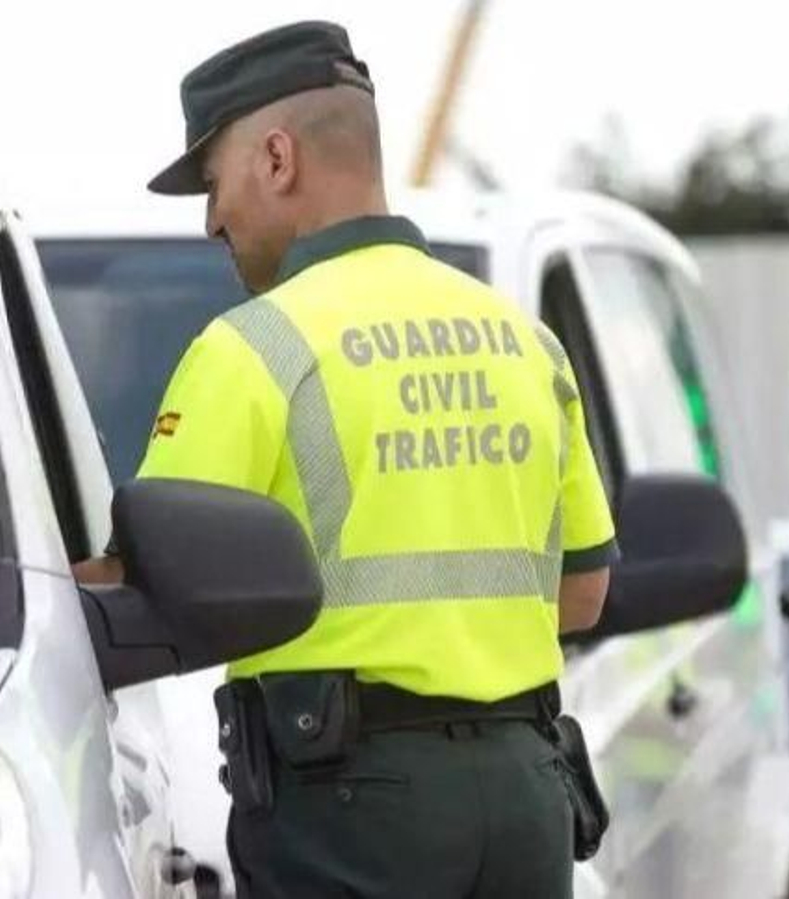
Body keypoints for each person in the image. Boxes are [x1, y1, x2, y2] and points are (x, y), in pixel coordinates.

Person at [76, 21, 616, 898]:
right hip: (527, 797)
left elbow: (154, 592)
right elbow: (583, 589)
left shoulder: (255, 347)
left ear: (277, 158)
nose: (214, 219)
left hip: (351, 808)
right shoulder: (525, 341)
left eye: (213, 185)